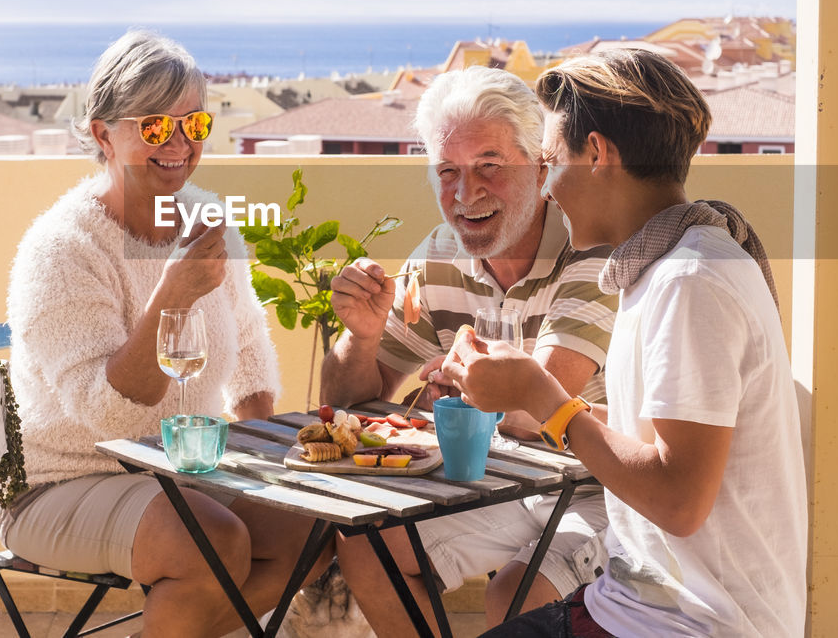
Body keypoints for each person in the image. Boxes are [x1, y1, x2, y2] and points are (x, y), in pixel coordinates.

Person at [446, 49, 808, 636]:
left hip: (689, 624)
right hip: (639, 604)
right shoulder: (670, 265)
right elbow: (671, 439)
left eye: (549, 161)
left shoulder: (690, 281)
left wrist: (543, 397)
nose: (545, 188)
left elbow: (680, 501)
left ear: (597, 152)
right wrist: (544, 401)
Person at [2, 31, 325, 638]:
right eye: (156, 128)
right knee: (213, 542)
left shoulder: (205, 219)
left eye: (194, 124)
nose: (180, 145)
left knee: (310, 526)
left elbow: (251, 354)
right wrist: (173, 293)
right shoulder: (63, 248)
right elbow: (110, 415)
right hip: (66, 481)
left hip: (184, 470)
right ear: (104, 135)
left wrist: (269, 462)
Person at [321, 66, 619, 634]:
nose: (466, 193)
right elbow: (347, 404)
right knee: (367, 545)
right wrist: (359, 337)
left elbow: (538, 404)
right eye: (448, 171)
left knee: (516, 596)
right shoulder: (435, 256)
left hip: (601, 487)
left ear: (541, 165)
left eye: (490, 166)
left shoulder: (590, 251)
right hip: (499, 483)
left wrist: (457, 386)